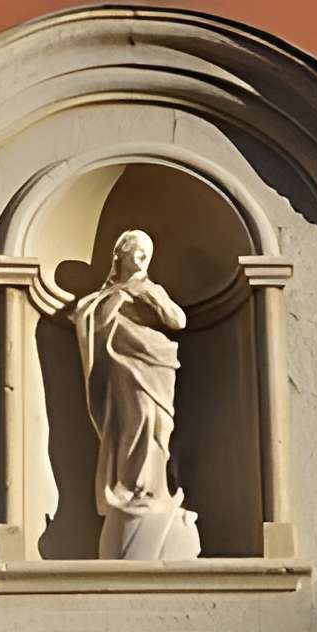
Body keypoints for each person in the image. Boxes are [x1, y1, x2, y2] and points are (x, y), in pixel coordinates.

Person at [68, 228, 200, 561]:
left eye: (146, 253)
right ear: (120, 255)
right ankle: (134, 488)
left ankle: (154, 489)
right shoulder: (106, 294)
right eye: (136, 251)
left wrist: (148, 295)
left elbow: (177, 320)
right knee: (130, 427)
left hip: (157, 365)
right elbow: (89, 321)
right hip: (122, 371)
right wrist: (119, 297)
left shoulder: (151, 288)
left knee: (159, 429)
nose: (141, 258)